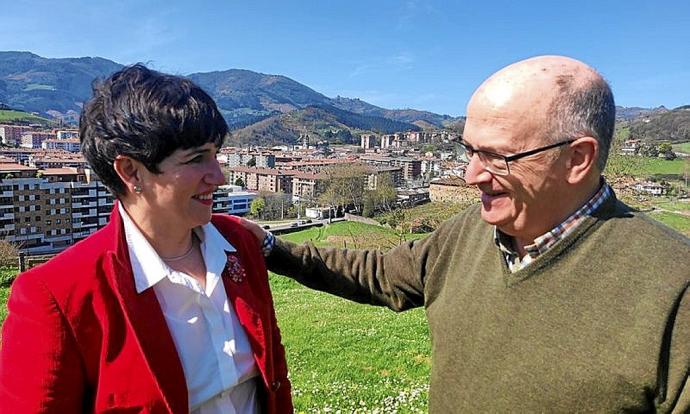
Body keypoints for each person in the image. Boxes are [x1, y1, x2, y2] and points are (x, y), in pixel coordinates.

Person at [241, 55, 690, 412]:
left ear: (577, 159)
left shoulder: (675, 289)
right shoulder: (467, 233)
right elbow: (378, 273)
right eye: (468, 150)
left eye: (497, 156)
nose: (472, 173)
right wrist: (268, 246)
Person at [0, 65, 292, 413]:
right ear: (131, 171)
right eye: (198, 159)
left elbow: (273, 377)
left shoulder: (238, 244)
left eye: (216, 154)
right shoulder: (57, 298)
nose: (218, 175)